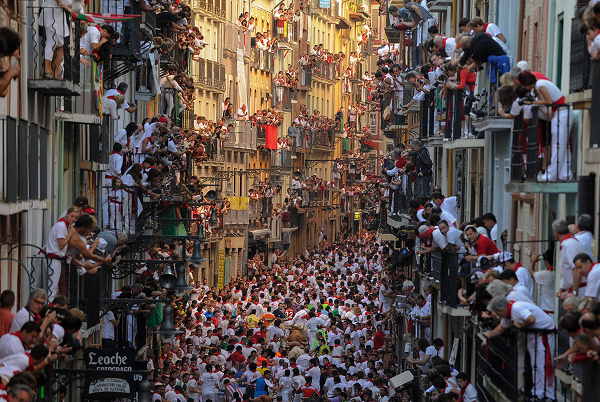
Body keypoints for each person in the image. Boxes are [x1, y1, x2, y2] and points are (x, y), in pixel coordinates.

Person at [485, 296, 555, 400]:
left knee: (542, 365)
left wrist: (520, 326)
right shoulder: (508, 313)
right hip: (534, 337)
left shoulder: (517, 308)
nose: (498, 316)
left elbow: (531, 319)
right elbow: (501, 327)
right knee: (535, 365)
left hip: (542, 336)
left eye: (498, 313)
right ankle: (538, 393)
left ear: (501, 309)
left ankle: (548, 395)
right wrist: (489, 335)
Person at [519, 71, 571, 182]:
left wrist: (533, 103)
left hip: (561, 112)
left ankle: (553, 174)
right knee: (561, 144)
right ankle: (563, 173)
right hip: (560, 111)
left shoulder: (540, 85)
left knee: (558, 144)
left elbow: (548, 101)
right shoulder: (540, 84)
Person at [553, 219, 587, 300]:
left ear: (555, 233)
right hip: (572, 290)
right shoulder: (569, 243)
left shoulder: (569, 245)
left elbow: (576, 269)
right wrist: (563, 289)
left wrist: (574, 292)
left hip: (578, 291)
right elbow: (568, 271)